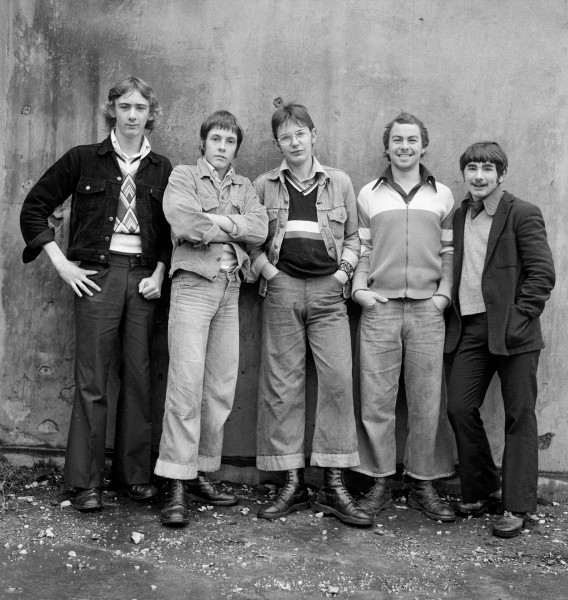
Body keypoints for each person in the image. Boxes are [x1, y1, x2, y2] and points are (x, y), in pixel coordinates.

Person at [20, 76, 172, 512]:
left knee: (139, 378)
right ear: (112, 111)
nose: (131, 115)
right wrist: (61, 263)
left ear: (150, 114)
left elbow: (169, 232)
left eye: (140, 108)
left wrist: (161, 272)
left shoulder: (163, 168)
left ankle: (134, 478)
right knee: (92, 380)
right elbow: (34, 208)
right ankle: (87, 482)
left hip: (143, 279)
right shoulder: (83, 159)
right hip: (96, 278)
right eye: (124, 107)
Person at [249, 102, 372, 527]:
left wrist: (343, 274)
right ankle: (291, 482)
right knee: (283, 386)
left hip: (328, 294)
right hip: (281, 291)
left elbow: (356, 236)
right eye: (286, 136)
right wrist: (267, 270)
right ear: (277, 143)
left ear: (313, 135)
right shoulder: (264, 184)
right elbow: (250, 237)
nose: (294, 141)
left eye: (301, 133)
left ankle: (334, 484)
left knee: (338, 382)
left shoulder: (338, 181)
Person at [155, 110, 268, 527]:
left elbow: (260, 228)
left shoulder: (244, 186)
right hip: (192, 286)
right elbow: (181, 220)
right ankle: (175, 484)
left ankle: (200, 471)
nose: (222, 147)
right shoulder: (183, 176)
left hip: (230, 287)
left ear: (237, 147)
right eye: (216, 139)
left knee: (218, 387)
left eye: (230, 141)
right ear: (203, 142)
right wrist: (232, 227)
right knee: (185, 385)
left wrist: (216, 224)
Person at [445, 141, 555, 538]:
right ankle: (482, 489)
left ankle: (516, 506)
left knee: (519, 417)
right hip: (471, 329)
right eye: (472, 168)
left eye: (488, 169)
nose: (479, 176)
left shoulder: (522, 212)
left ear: (501, 174)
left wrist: (519, 317)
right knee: (459, 406)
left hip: (514, 332)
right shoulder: (461, 215)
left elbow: (542, 274)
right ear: (464, 174)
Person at [351, 112, 456, 522]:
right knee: (376, 400)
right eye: (397, 140)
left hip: (429, 311)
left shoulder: (442, 195)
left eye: (412, 140)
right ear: (387, 146)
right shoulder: (369, 194)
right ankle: (379, 480)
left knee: (427, 401)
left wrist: (443, 296)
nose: (405, 146)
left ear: (423, 146)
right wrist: (360, 290)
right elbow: (361, 248)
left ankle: (422, 484)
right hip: (380, 308)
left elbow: (448, 253)